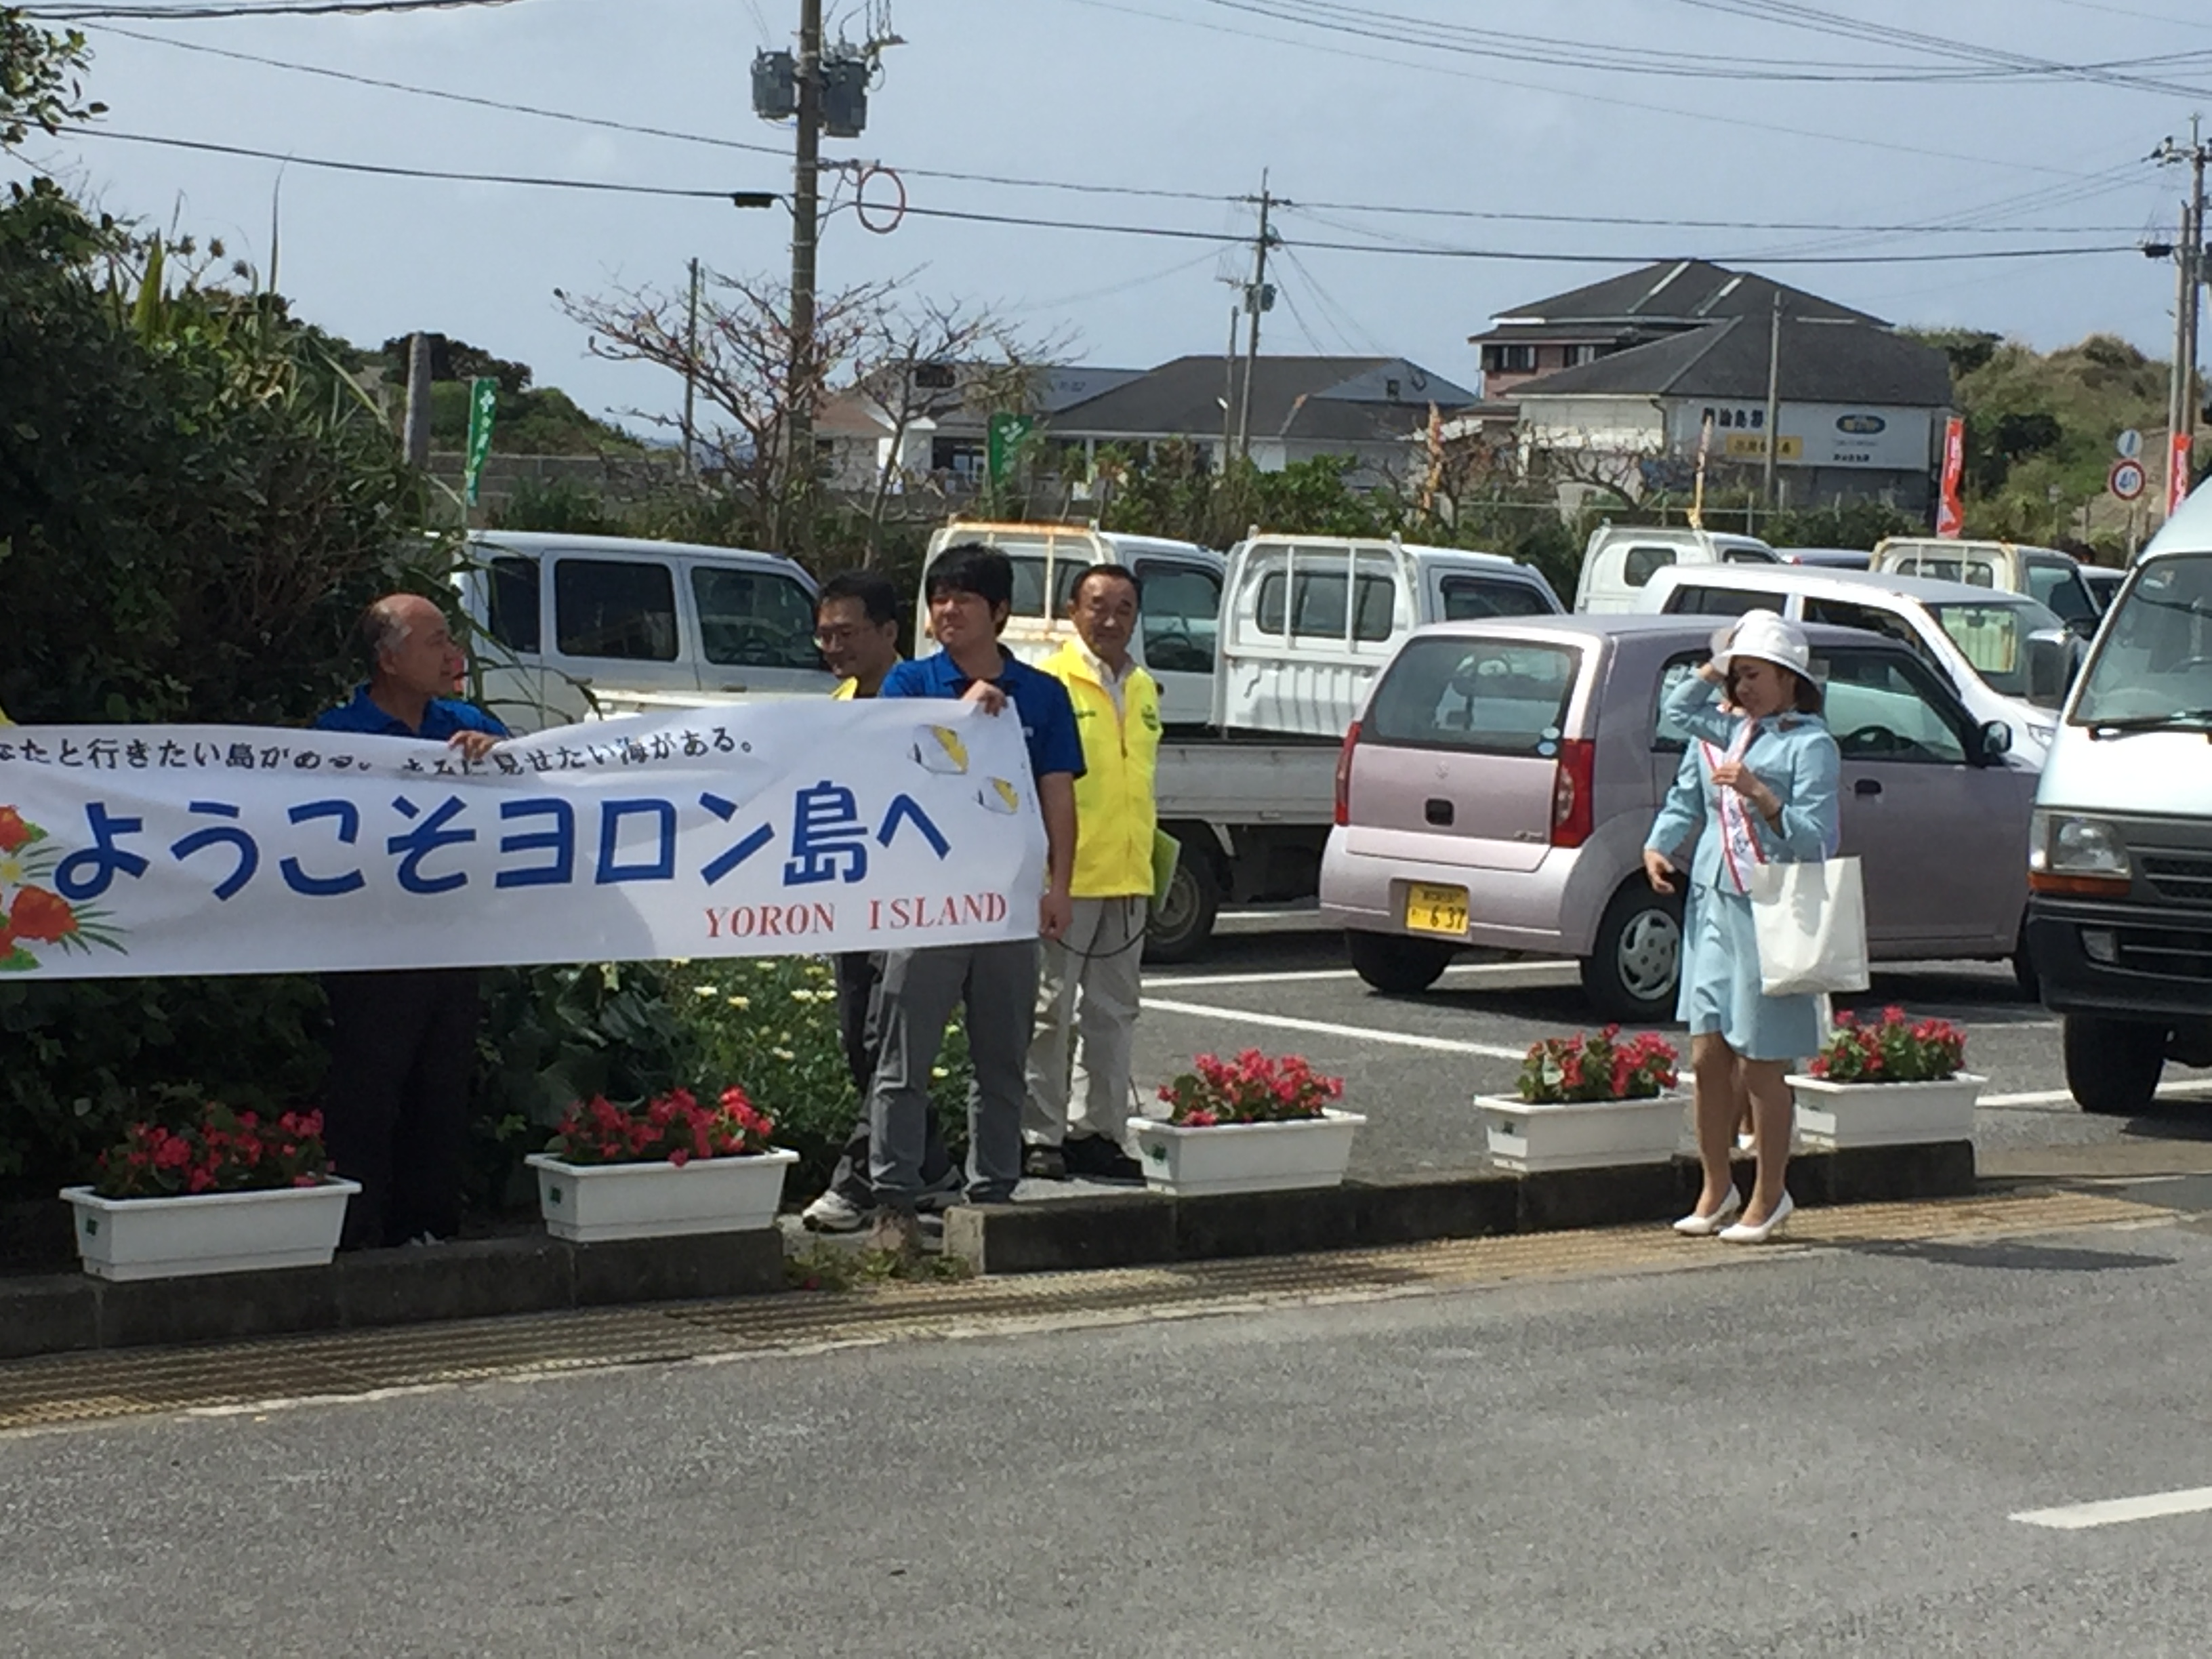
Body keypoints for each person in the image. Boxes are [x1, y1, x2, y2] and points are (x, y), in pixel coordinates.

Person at [863, 545, 1081, 1254]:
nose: (947, 611)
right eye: (939, 598)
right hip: (927, 903)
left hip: (1007, 906)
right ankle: (894, 1202)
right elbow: (886, 764)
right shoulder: (910, 682)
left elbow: (1057, 794)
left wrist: (1059, 886)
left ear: (1001, 612)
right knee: (904, 1061)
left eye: (963, 598)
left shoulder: (1042, 695)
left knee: (1002, 1060)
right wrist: (959, 717)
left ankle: (993, 1198)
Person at [314, 594, 508, 1250]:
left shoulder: (465, 724)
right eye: (435, 642)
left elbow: (540, 777)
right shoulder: (339, 735)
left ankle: (429, 1228)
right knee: (368, 1088)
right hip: (370, 943)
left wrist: (498, 756)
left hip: (453, 936)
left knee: (443, 1087)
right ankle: (357, 1232)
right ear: (389, 661)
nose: (453, 654)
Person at [1643, 611, 1841, 1246]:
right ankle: (1715, 1186)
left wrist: (1763, 796)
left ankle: (1770, 1193)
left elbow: (1817, 841)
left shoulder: (1809, 745)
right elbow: (1677, 716)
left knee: (1760, 1061)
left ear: (1789, 679)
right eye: (1737, 675)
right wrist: (1660, 844)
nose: (1741, 686)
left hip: (1770, 908)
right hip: (1711, 901)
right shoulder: (1723, 730)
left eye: (1754, 674)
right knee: (1707, 1054)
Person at [800, 571, 960, 1232]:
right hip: (851, 894)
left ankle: (858, 1181)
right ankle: (934, 1168)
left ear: (890, 632)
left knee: (885, 1040)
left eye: (847, 633)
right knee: (860, 1043)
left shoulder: (932, 701)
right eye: (824, 635)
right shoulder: (835, 708)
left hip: (915, 900)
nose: (834, 647)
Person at [1023, 565, 1159, 1182]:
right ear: (1072, 611)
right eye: (1097, 606)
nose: (1110, 619)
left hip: (1128, 879)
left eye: (1124, 608)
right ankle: (1039, 1135)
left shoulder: (1144, 687)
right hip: (1065, 878)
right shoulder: (1048, 682)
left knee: (1114, 1014)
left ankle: (1099, 1131)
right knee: (1049, 1012)